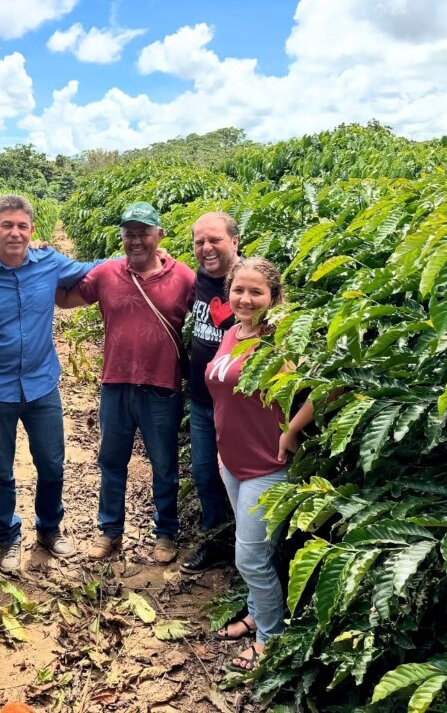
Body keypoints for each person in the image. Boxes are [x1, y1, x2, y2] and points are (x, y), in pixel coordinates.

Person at [0, 194, 98, 575]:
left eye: (22, 226)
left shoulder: (48, 262)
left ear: (32, 231)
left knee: (52, 464)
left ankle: (48, 528)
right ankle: (8, 538)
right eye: (7, 225)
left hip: (42, 384)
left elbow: (93, 268)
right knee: (2, 469)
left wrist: (143, 258)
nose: (15, 232)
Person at [57, 202, 195, 564]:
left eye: (143, 233)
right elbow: (65, 298)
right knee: (112, 460)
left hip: (162, 385)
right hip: (116, 382)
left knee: (164, 464)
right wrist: (41, 263)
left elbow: (214, 311)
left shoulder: (184, 278)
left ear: (159, 236)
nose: (136, 241)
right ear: (122, 237)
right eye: (129, 234)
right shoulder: (106, 273)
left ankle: (165, 533)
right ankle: (110, 531)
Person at [205, 257, 315, 672]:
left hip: (268, 465)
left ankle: (271, 640)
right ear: (228, 291)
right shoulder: (232, 332)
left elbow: (331, 383)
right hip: (232, 460)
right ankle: (256, 614)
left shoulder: (281, 340)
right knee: (256, 552)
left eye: (256, 292)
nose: (246, 299)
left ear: (273, 296)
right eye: (239, 290)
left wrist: (293, 431)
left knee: (251, 558)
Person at [181, 212, 239, 575]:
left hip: (240, 408)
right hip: (203, 401)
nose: (207, 248)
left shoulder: (248, 281)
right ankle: (216, 540)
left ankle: (249, 554)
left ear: (235, 241)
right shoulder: (198, 278)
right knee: (204, 474)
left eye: (215, 240)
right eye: (199, 242)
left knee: (239, 477)